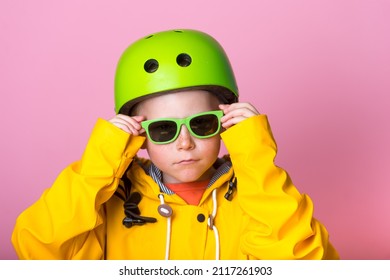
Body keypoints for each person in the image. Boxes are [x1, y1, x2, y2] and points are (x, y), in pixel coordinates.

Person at [12, 29, 339, 260]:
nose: (185, 143)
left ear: (225, 124)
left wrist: (254, 154)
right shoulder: (111, 203)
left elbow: (304, 262)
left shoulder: (255, 195)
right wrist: (101, 160)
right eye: (164, 129)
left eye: (201, 124)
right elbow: (41, 253)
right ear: (139, 137)